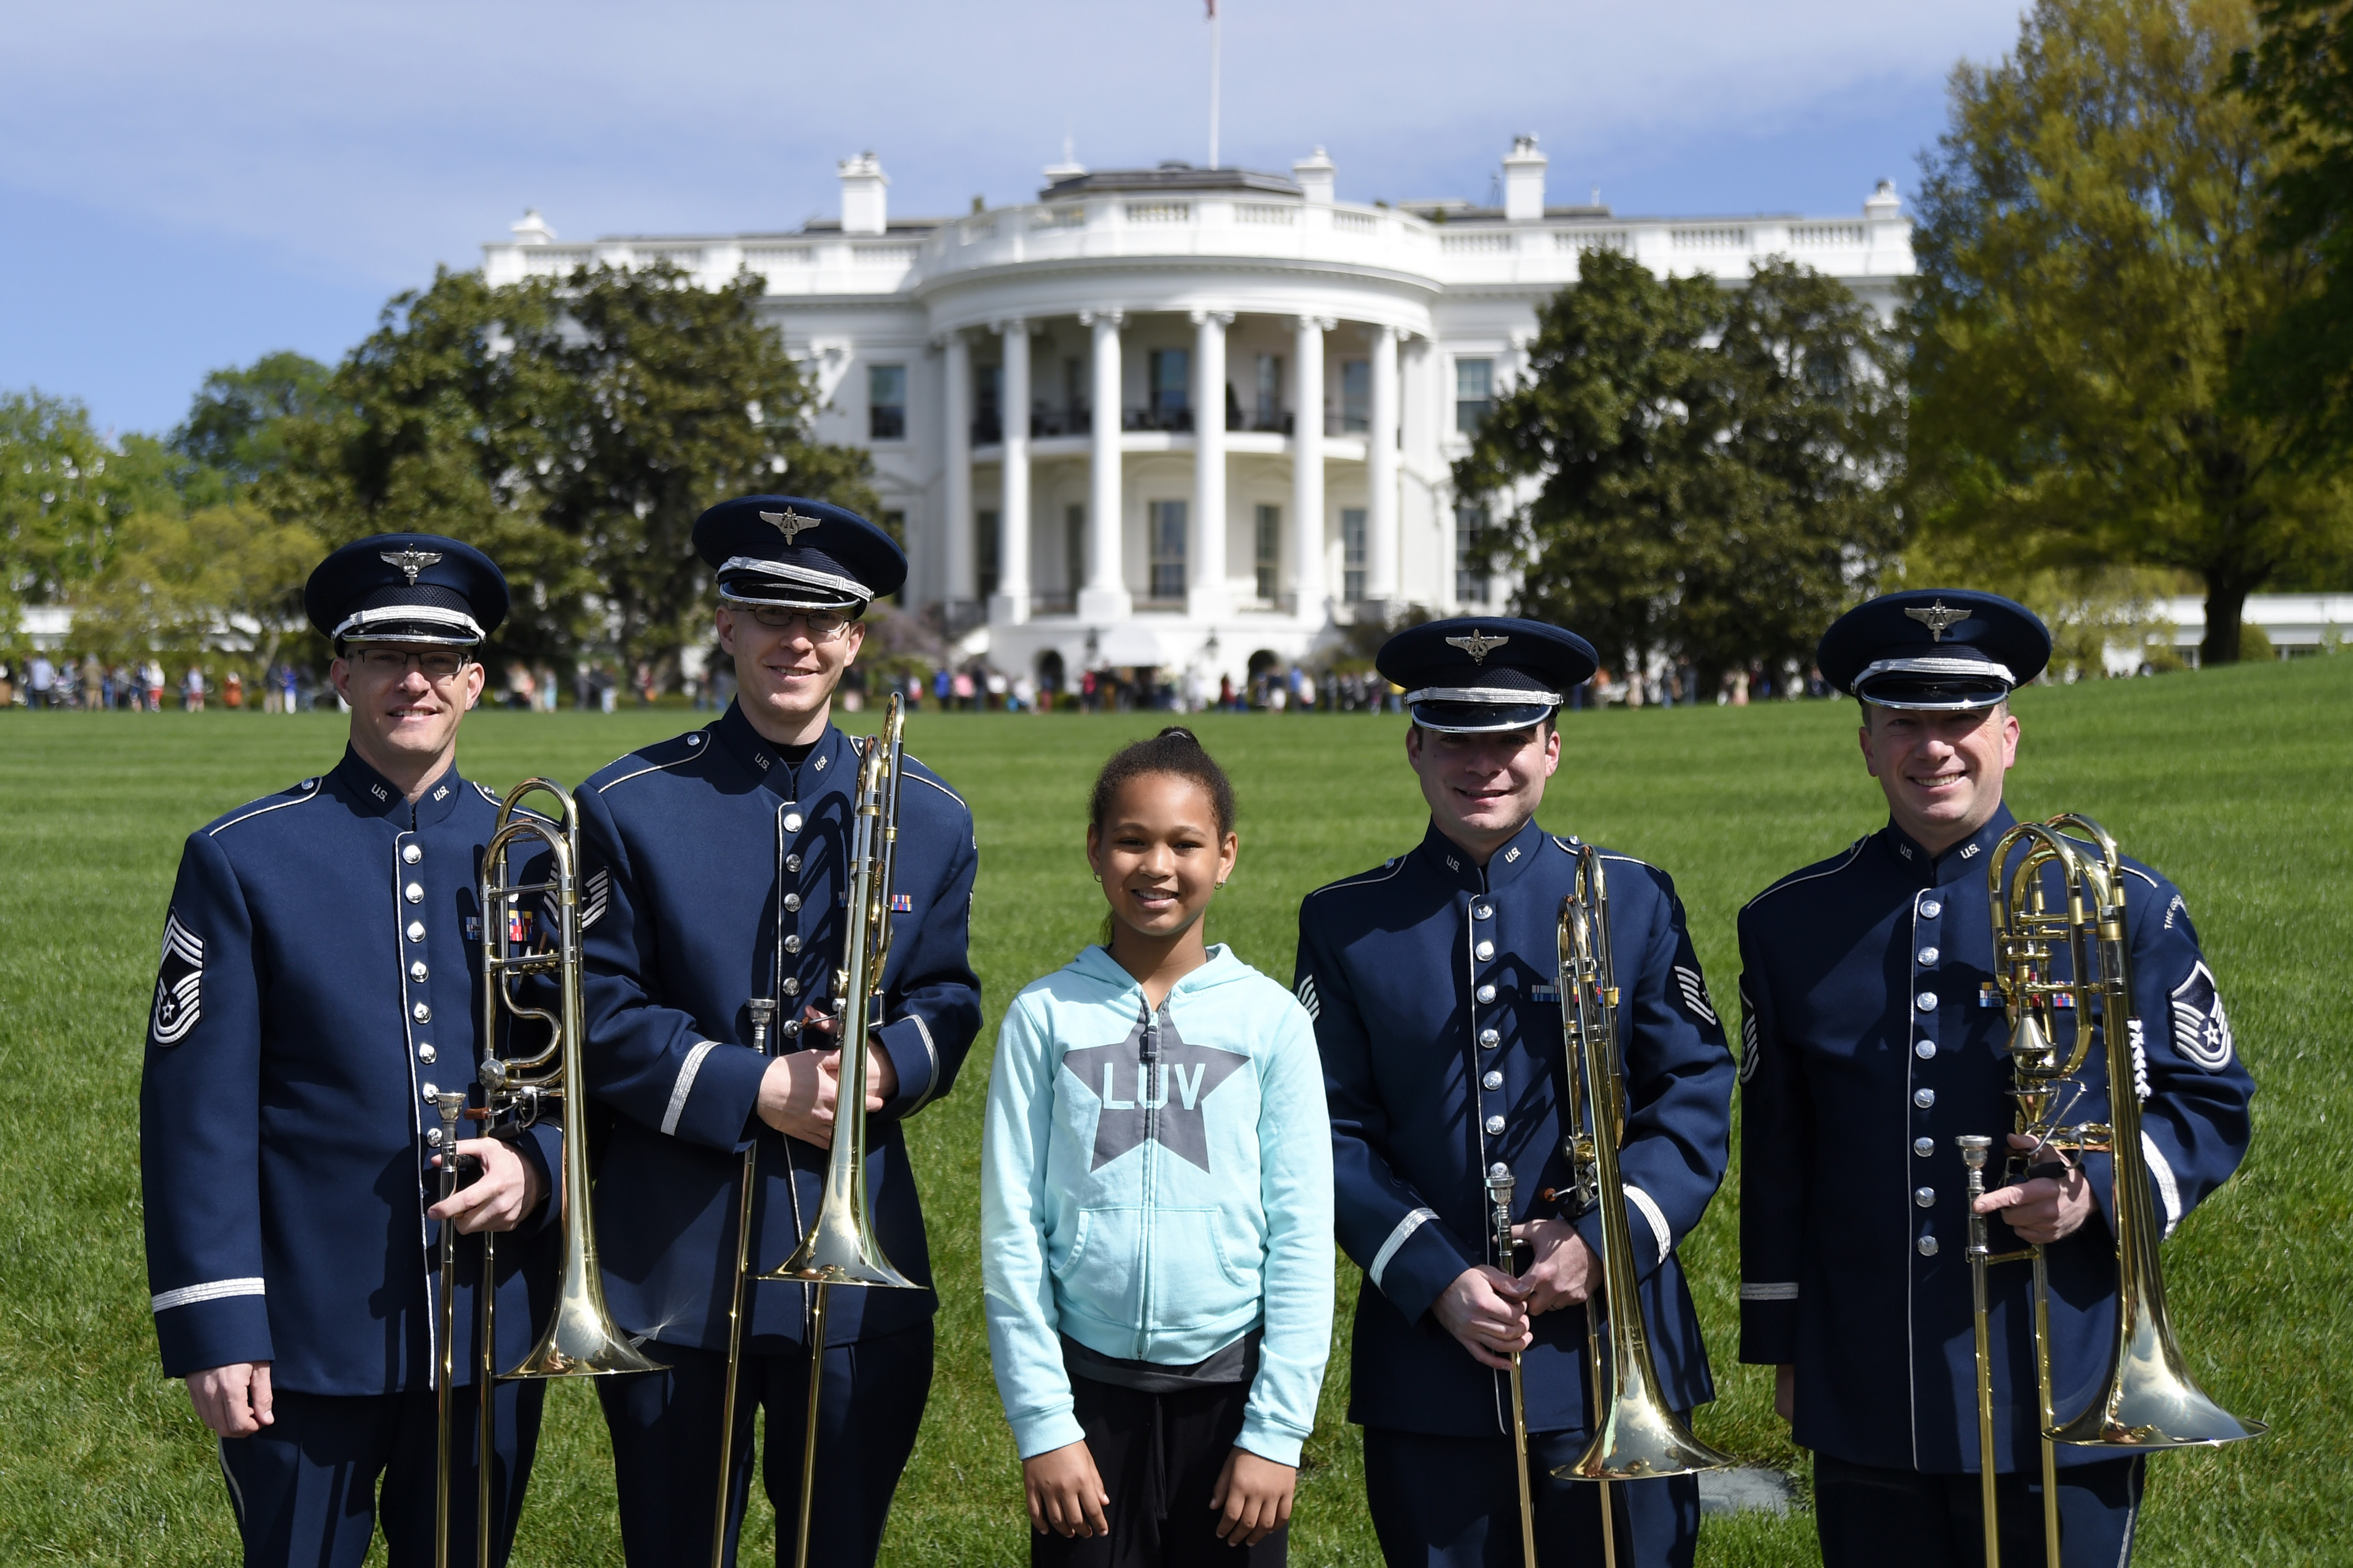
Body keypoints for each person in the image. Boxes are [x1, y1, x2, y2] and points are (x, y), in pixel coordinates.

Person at [1736, 589, 2256, 1567]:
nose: (1934, 747)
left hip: (2065, 1362)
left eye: (1961, 721)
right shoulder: (1789, 923)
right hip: (1869, 1372)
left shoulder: (2121, 901)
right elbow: (1778, 1150)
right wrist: (1784, 1340)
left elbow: (2212, 1101)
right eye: (1905, 723)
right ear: (1866, 743)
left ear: (2008, 736)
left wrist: (2097, 1191)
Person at [574, 495, 981, 1567]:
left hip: (860, 1276)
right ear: (724, 625)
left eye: (822, 620)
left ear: (855, 637)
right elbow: (598, 1014)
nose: (794, 641)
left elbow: (949, 996)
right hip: (675, 1263)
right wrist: (750, 1086)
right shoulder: (624, 805)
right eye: (767, 612)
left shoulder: (931, 816)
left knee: (835, 1548)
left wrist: (888, 1064)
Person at [139, 534, 560, 1565]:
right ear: (340, 674)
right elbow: (194, 1110)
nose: (411, 679)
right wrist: (218, 1322)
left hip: (486, 1316)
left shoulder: (540, 853)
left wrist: (538, 1168)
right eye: (382, 655)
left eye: (436, 658)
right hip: (302, 1333)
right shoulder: (245, 857)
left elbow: (581, 1069)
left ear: (475, 679)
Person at [1295, 618, 1735, 1567]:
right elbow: (1326, 1126)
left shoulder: (1634, 897)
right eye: (1456, 735)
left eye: (1510, 736)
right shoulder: (1346, 921)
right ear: (1414, 745)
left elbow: (1696, 1085)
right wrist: (1434, 1275)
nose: (1483, 762)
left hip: (1617, 1349)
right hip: (1432, 1366)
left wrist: (1605, 1237)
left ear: (1553, 747)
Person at [982, 729, 1333, 1567]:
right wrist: (1044, 1424)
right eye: (1133, 840)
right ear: (1096, 850)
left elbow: (1301, 1237)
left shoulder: (1272, 1020)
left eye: (1186, 842)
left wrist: (1277, 1432)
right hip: (1087, 1402)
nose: (1158, 866)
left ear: (1228, 854)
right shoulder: (1045, 1015)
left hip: (1230, 1403)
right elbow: (1010, 1230)